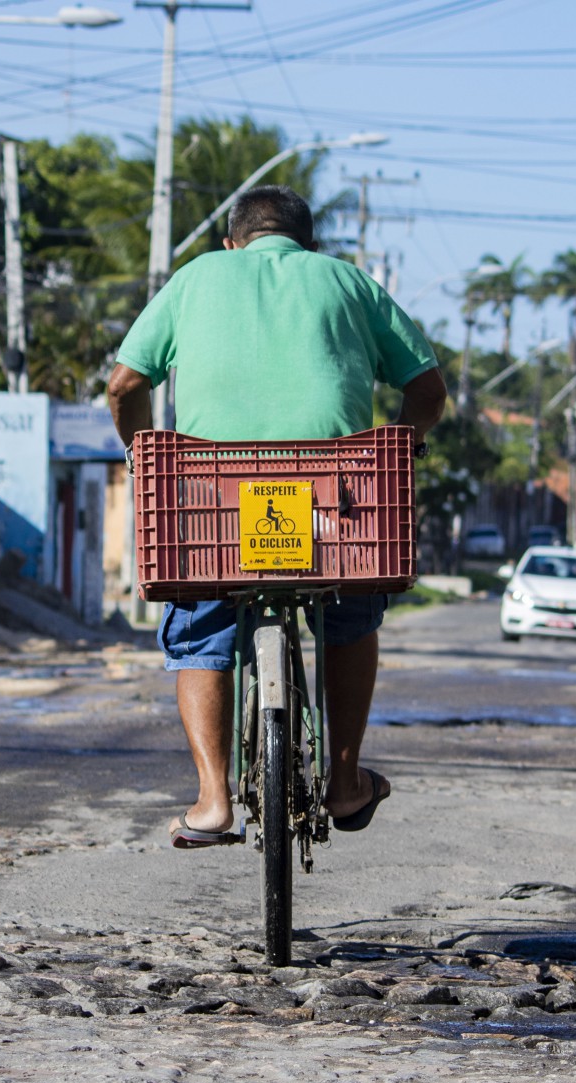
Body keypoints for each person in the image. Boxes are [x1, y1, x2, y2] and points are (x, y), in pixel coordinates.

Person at [104, 185, 448, 849]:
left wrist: (143, 454)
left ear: (233, 242)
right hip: (332, 504)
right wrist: (407, 439)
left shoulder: (196, 276)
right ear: (308, 246)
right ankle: (345, 782)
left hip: (215, 504)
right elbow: (428, 391)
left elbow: (124, 385)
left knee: (202, 620)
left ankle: (211, 802)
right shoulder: (349, 282)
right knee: (350, 613)